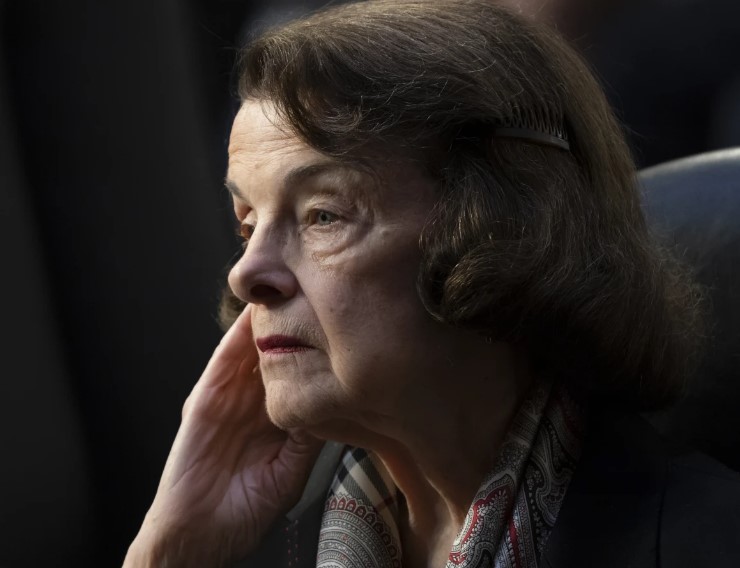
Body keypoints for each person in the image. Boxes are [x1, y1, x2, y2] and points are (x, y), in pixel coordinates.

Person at [123, 1, 740, 566]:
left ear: (500, 232)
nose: (245, 275)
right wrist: (170, 552)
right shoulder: (255, 540)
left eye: (322, 215)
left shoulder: (707, 544)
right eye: (247, 225)